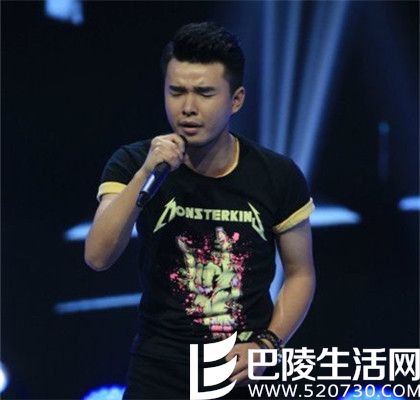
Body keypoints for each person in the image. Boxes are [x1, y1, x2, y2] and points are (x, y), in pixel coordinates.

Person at [85, 21, 316, 399]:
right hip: (159, 369)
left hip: (242, 370)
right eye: (176, 92)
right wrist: (147, 173)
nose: (188, 108)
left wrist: (268, 344)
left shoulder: (276, 174)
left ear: (236, 100)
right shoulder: (133, 163)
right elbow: (98, 256)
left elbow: (300, 273)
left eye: (205, 93)